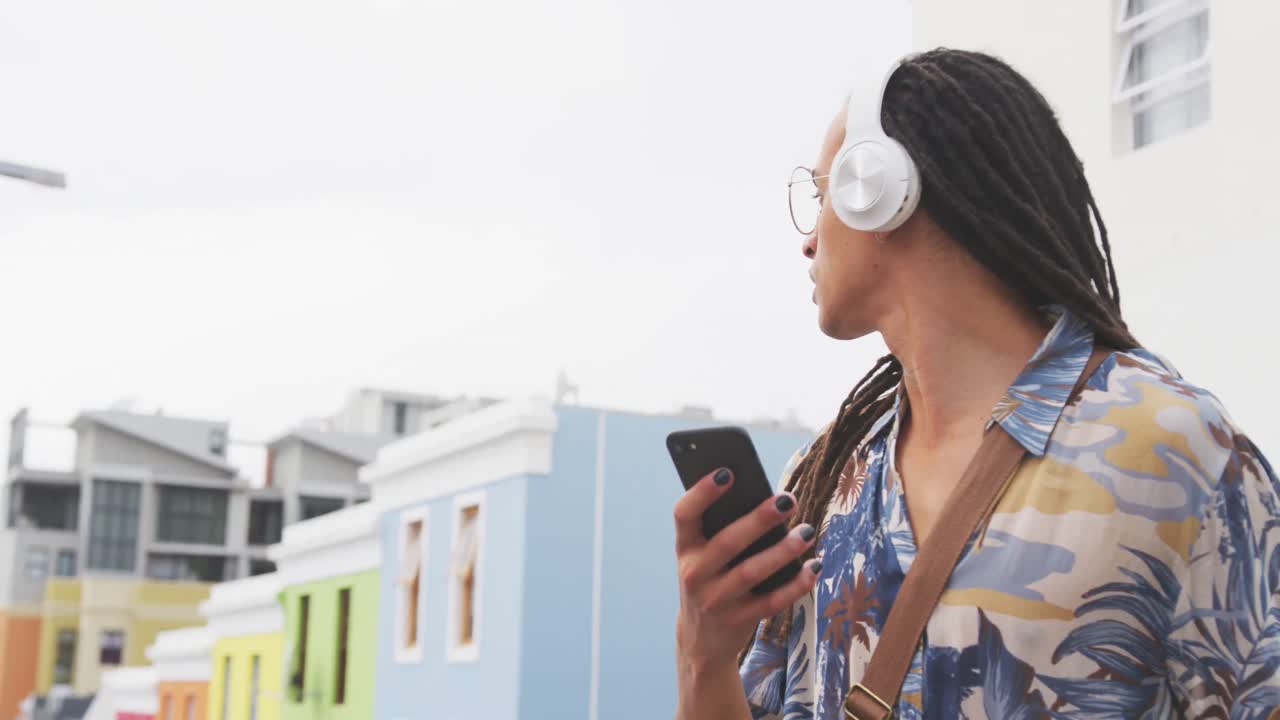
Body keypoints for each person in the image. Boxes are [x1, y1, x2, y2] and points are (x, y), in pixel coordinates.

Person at [672, 48, 1280, 719]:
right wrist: (705, 659)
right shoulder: (823, 484)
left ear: (878, 191)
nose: (808, 242)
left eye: (821, 197)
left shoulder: (1172, 452)